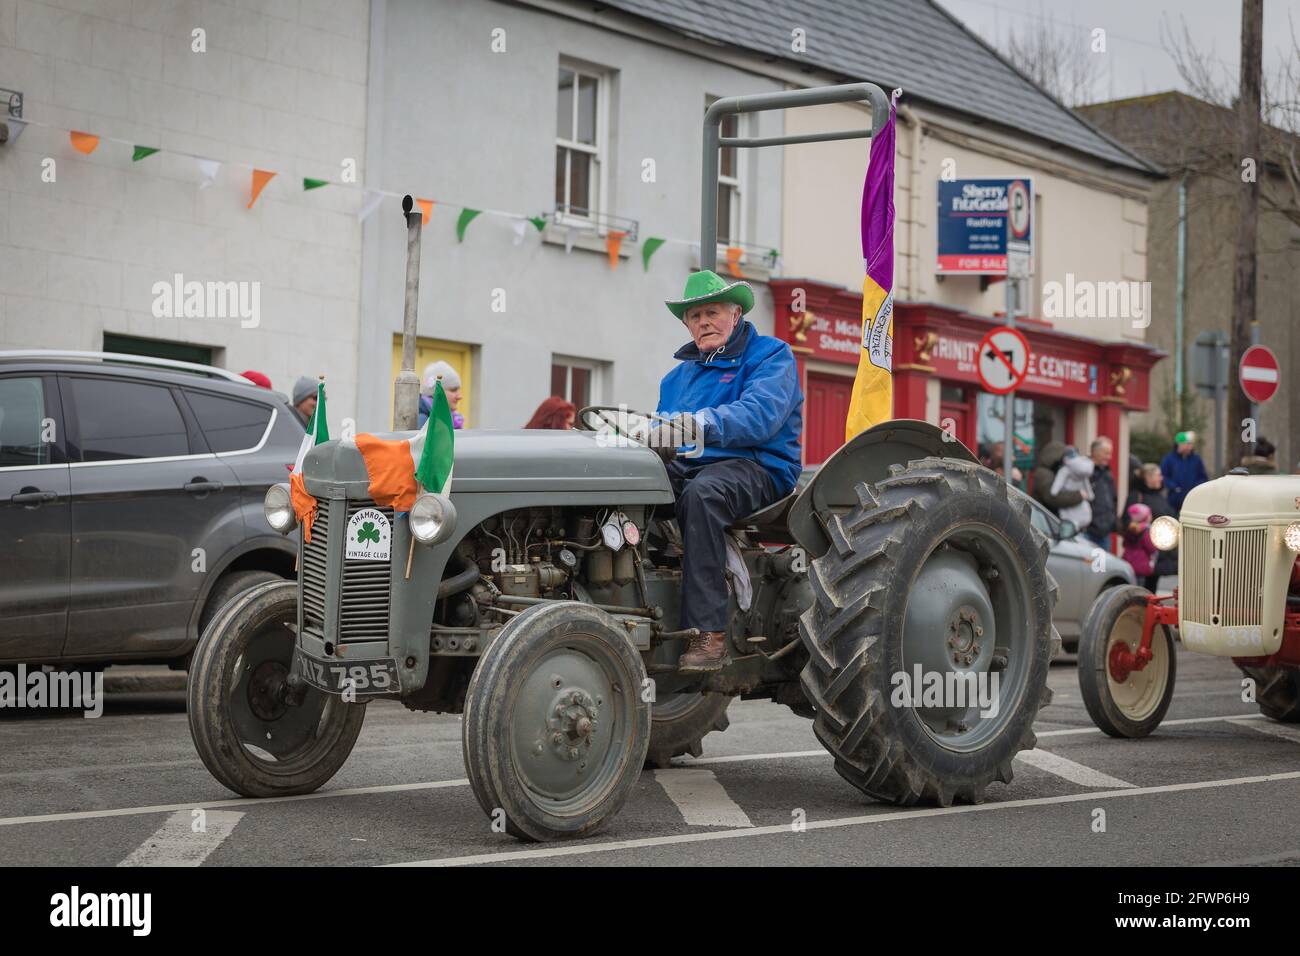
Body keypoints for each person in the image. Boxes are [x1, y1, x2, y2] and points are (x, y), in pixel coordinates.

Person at [654, 270, 803, 672]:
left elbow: (759, 417)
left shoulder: (771, 357)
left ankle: (709, 632)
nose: (703, 322)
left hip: (758, 465)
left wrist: (696, 425)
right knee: (637, 487)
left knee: (703, 494)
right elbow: (662, 430)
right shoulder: (677, 378)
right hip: (693, 467)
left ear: (735, 314)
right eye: (694, 316)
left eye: (712, 312)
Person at [1126, 463, 1177, 588]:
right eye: (1158, 475)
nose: (1161, 478)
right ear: (1148, 478)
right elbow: (1128, 521)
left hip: (1159, 549)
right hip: (1145, 551)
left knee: (1152, 584)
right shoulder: (1137, 496)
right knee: (1143, 585)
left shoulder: (1159, 496)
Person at [1031, 441, 1084, 517]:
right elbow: (1052, 498)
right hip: (1045, 521)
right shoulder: (1043, 474)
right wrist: (1079, 495)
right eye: (1063, 457)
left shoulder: (1052, 472)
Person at [1160, 430, 1208, 514]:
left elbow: (1203, 476)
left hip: (1193, 498)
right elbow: (1163, 476)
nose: (1190, 447)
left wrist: (1196, 488)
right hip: (1174, 499)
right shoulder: (1169, 459)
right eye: (1187, 444)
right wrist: (1174, 487)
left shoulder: (1196, 459)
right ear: (1179, 444)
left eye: (1191, 444)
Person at [1050, 446, 1094, 531]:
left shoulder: (1064, 470)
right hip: (1078, 501)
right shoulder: (1081, 473)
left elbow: (1054, 490)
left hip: (1070, 505)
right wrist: (1089, 495)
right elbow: (1088, 488)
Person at [1085, 436, 1117, 549]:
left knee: (1103, 566)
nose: (1109, 457)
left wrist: (1112, 521)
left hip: (1105, 533)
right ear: (1094, 452)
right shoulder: (1084, 472)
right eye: (1106, 453)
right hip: (1087, 532)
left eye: (1110, 453)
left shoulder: (1108, 474)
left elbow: (1113, 499)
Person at [1121, 502, 1158, 591]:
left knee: (1129, 586)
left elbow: (1124, 544)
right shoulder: (1146, 531)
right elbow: (1151, 548)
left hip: (1128, 561)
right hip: (1141, 564)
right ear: (1145, 517)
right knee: (1139, 588)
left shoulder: (1130, 529)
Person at [419, 361, 465, 429]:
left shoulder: (452, 420)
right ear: (436, 392)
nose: (459, 396)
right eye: (453, 390)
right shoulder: (422, 421)